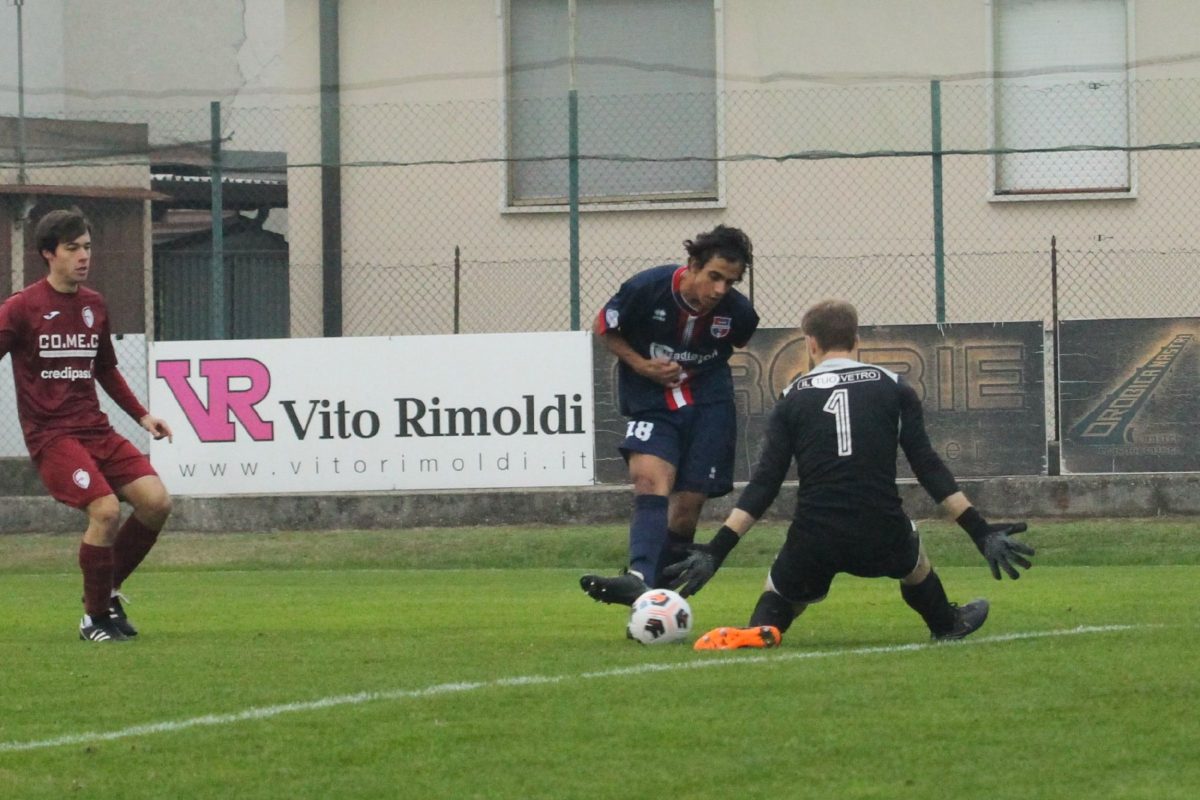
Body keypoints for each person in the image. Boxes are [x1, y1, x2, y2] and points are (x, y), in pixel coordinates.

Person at [664, 299, 1035, 649]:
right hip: (881, 528)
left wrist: (716, 551)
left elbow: (765, 483)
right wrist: (980, 532)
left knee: (780, 587)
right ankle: (946, 623)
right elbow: (928, 467)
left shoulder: (791, 396)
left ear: (810, 343)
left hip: (815, 533)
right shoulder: (893, 386)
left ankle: (763, 627)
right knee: (914, 556)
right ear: (856, 339)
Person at [0, 209, 174, 643]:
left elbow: (107, 370)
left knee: (156, 502)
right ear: (48, 254)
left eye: (87, 247)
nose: (83, 256)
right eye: (73, 248)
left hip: (96, 430)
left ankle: (106, 592)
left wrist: (142, 415)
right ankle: (94, 619)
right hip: (52, 436)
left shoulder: (94, 305)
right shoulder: (22, 308)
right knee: (106, 510)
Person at [580, 225, 759, 606]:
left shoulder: (740, 313)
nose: (719, 290)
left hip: (709, 406)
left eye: (730, 282)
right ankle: (638, 575)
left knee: (687, 508)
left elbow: (735, 342)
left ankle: (656, 599)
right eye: (714, 277)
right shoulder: (648, 288)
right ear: (692, 265)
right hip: (652, 402)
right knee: (648, 479)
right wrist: (642, 366)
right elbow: (605, 328)